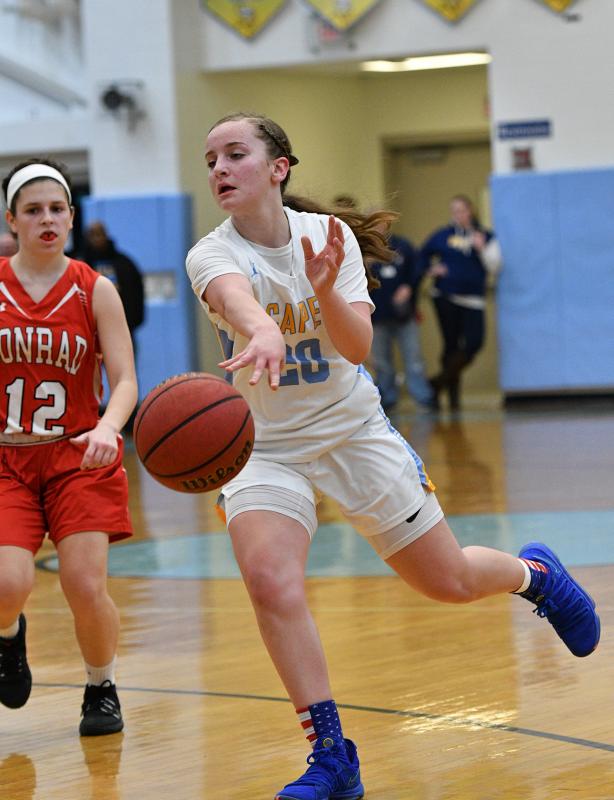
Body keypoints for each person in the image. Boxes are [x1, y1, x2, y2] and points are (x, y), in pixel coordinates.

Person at [186, 113, 599, 800]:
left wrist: (320, 292)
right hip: (267, 446)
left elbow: (356, 348)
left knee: (448, 582)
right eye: (210, 160)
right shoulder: (212, 252)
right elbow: (235, 299)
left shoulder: (332, 239)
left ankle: (535, 576)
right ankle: (332, 757)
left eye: (235, 154)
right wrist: (261, 328)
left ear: (279, 167)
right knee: (270, 581)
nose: (219, 170)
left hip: (352, 431)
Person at [0, 158, 137, 736]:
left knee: (85, 584)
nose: (47, 219)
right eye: (33, 210)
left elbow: (126, 378)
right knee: (9, 584)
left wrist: (109, 426)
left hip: (79, 455)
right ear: (13, 221)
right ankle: (8, 635)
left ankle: (100, 686)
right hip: (7, 458)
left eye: (57, 209)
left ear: (73, 217)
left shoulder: (95, 289)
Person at [420, 194, 502, 411]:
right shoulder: (443, 235)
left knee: (475, 343)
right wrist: (432, 269)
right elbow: (422, 256)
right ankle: (451, 398)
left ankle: (438, 382)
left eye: (461, 210)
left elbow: (495, 267)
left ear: (471, 211)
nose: (458, 214)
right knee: (450, 345)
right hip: (446, 297)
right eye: (454, 210)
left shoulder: (485, 235)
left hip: (473, 298)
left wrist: (481, 248)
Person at [369, 229, 434, 412]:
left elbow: (418, 269)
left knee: (413, 358)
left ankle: (423, 397)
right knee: (381, 361)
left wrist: (409, 287)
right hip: (377, 314)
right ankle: (387, 398)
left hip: (404, 315)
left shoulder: (403, 246)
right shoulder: (366, 248)